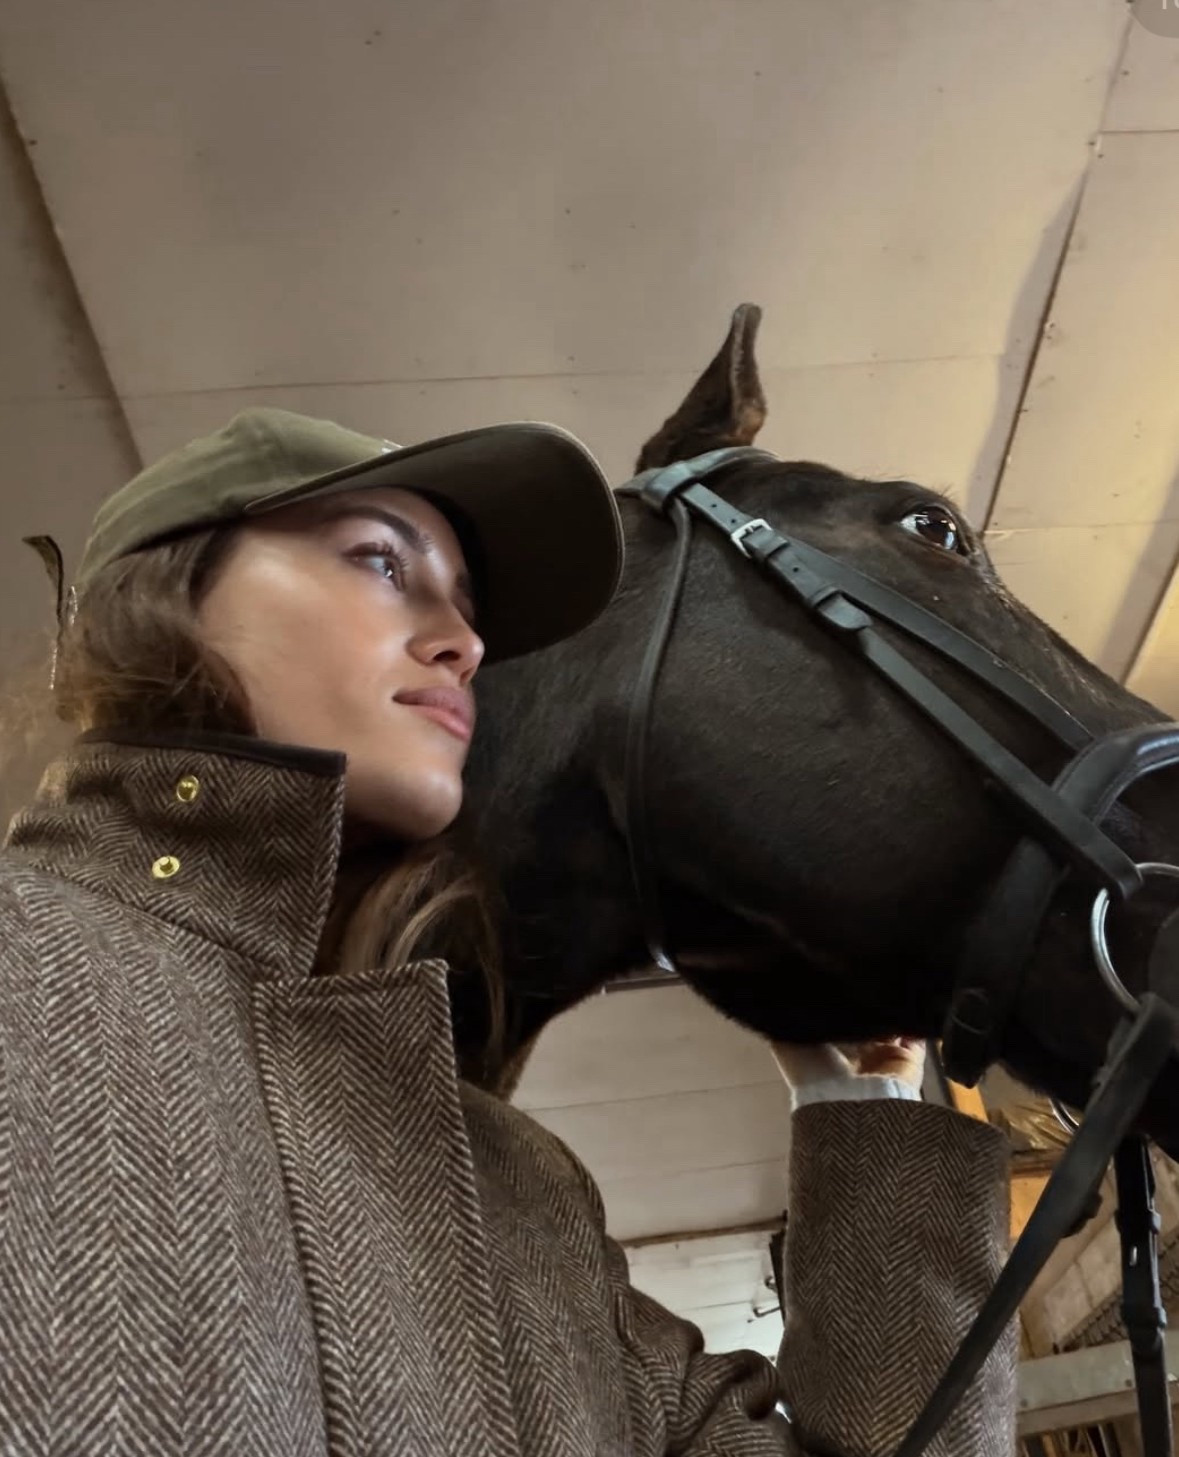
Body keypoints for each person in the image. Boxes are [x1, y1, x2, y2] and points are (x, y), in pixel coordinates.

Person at [0, 408, 1015, 1457]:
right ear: (159, 599)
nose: (467, 643)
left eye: (466, 605)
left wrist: (870, 1105)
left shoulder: (527, 1190)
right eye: (381, 561)